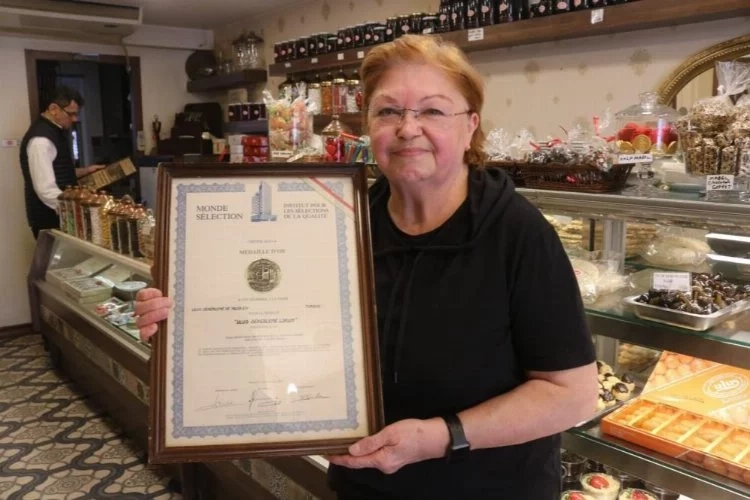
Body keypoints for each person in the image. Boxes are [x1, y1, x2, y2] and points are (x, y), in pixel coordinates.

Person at [135, 35, 598, 499]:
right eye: (388, 111)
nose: (407, 128)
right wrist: (193, 328)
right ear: (368, 125)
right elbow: (282, 327)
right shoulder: (338, 223)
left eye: (433, 111)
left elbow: (571, 394)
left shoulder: (517, 233)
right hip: (365, 483)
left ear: (470, 126)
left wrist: (440, 436)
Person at [20, 86, 104, 238]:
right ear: (54, 109)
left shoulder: (55, 131)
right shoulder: (41, 140)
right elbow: (46, 189)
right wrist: (77, 211)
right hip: (49, 219)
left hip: (60, 216)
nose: (75, 119)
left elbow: (56, 171)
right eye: (71, 114)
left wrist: (86, 171)